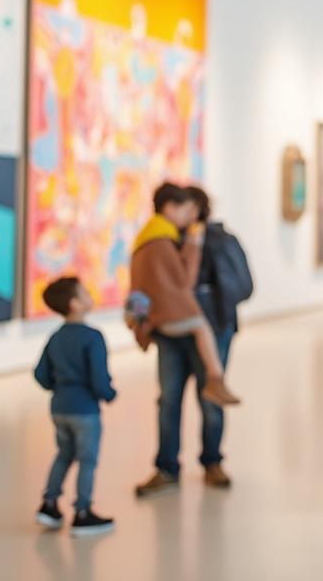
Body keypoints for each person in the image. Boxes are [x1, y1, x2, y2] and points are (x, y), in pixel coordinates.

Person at [132, 183, 240, 498]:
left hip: (211, 327)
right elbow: (145, 282)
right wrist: (141, 320)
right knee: (168, 400)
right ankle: (166, 467)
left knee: (211, 399)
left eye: (191, 207)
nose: (187, 213)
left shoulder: (216, 240)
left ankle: (212, 462)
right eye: (183, 207)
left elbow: (236, 285)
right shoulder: (160, 239)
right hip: (170, 332)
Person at [34, 277, 117, 537]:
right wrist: (109, 393)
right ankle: (83, 512)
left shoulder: (55, 337)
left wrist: (59, 387)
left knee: (64, 454)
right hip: (85, 411)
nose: (90, 294)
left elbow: (40, 374)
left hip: (59, 408)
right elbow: (99, 379)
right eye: (85, 293)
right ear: (74, 304)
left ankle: (49, 504)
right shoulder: (93, 337)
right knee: (87, 460)